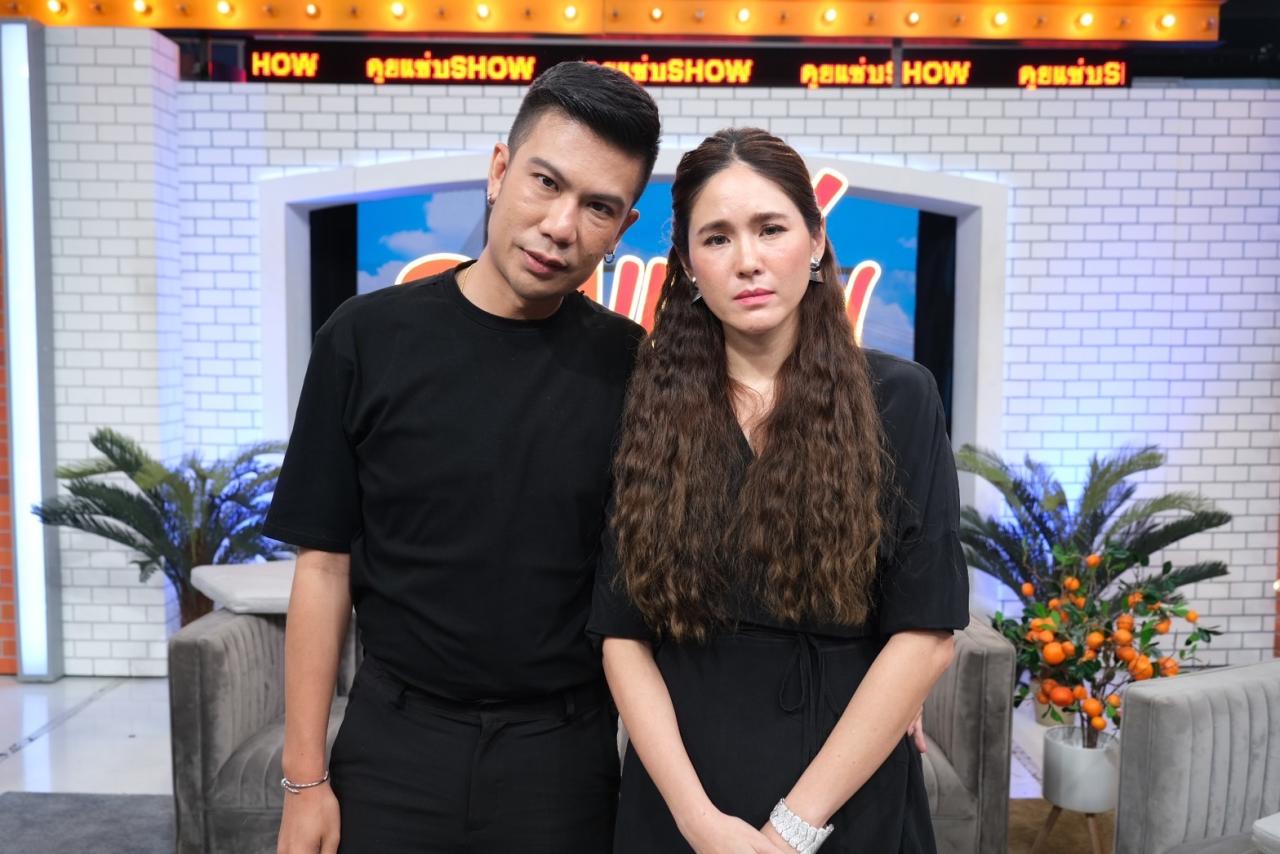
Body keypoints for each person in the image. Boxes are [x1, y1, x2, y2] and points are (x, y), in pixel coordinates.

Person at [266, 61, 660, 854]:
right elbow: (323, 568)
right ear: (499, 169)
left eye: (598, 207)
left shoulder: (635, 368)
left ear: (623, 227)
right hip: (395, 743)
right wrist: (304, 779)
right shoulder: (364, 338)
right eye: (546, 182)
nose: (561, 226)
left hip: (561, 759)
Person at [589, 128, 969, 854]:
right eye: (717, 238)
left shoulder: (900, 398)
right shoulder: (647, 404)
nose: (748, 260)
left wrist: (790, 831)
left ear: (816, 239)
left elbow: (925, 637)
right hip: (684, 793)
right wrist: (701, 825)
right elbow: (622, 635)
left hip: (847, 791)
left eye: (770, 228)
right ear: (688, 263)